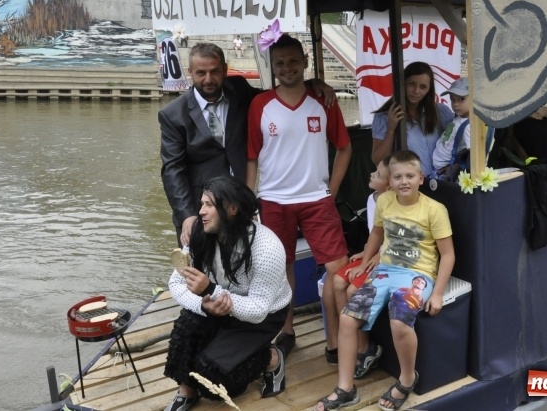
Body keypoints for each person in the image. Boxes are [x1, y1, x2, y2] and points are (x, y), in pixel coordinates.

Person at [314, 149, 455, 411]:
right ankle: (345, 388)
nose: (404, 181)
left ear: (421, 178)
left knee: (399, 320)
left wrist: (437, 293)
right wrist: (367, 259)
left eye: (410, 175)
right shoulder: (384, 202)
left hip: (418, 275)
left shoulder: (435, 210)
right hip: (385, 271)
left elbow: (447, 255)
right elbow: (377, 234)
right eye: (398, 176)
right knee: (347, 317)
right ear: (389, 181)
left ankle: (407, 378)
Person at [159, 42, 335, 248]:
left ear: (225, 69)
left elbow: (278, 95)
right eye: (201, 73)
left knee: (243, 268)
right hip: (200, 210)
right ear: (190, 72)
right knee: (200, 274)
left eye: (215, 72)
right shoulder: (173, 115)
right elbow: (172, 170)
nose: (208, 79)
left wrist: (313, 84)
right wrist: (186, 215)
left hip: (238, 207)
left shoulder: (239, 90)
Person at [246, 33, 351, 361]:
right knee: (281, 266)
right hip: (274, 200)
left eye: (293, 61)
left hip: (317, 199)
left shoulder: (325, 101)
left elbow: (344, 148)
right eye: (280, 63)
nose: (287, 68)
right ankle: (286, 331)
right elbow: (251, 156)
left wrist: (331, 190)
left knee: (338, 267)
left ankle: (335, 341)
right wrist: (252, 202)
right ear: (272, 66)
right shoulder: (260, 105)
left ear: (306, 61)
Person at [163, 175, 292, 411]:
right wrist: (204, 304)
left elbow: (258, 311)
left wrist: (212, 291)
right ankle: (187, 390)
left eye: (209, 205)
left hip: (263, 317)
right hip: (216, 302)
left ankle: (270, 358)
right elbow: (176, 284)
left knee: (214, 380)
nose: (200, 212)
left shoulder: (267, 248)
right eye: (201, 204)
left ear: (232, 209)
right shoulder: (199, 233)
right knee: (184, 329)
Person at [330, 158, 389, 375]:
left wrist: (375, 256)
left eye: (379, 174)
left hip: (386, 257)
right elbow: (374, 234)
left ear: (390, 184)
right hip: (372, 252)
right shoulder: (372, 199)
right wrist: (366, 254)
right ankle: (350, 342)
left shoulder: (393, 201)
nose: (372, 174)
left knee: (354, 290)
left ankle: (365, 348)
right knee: (337, 280)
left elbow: (389, 237)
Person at [371, 61, 453, 177]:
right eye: (412, 84)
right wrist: (391, 129)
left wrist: (454, 167)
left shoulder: (441, 112)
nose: (416, 91)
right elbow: (378, 160)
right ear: (403, 84)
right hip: (409, 187)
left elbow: (459, 142)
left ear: (429, 89)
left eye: (423, 87)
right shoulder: (384, 116)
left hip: (440, 184)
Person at [432, 77, 471, 178]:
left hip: (445, 171)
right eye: (452, 99)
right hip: (437, 168)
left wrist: (457, 167)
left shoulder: (469, 126)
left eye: (461, 99)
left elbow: (473, 154)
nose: (455, 104)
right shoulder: (459, 117)